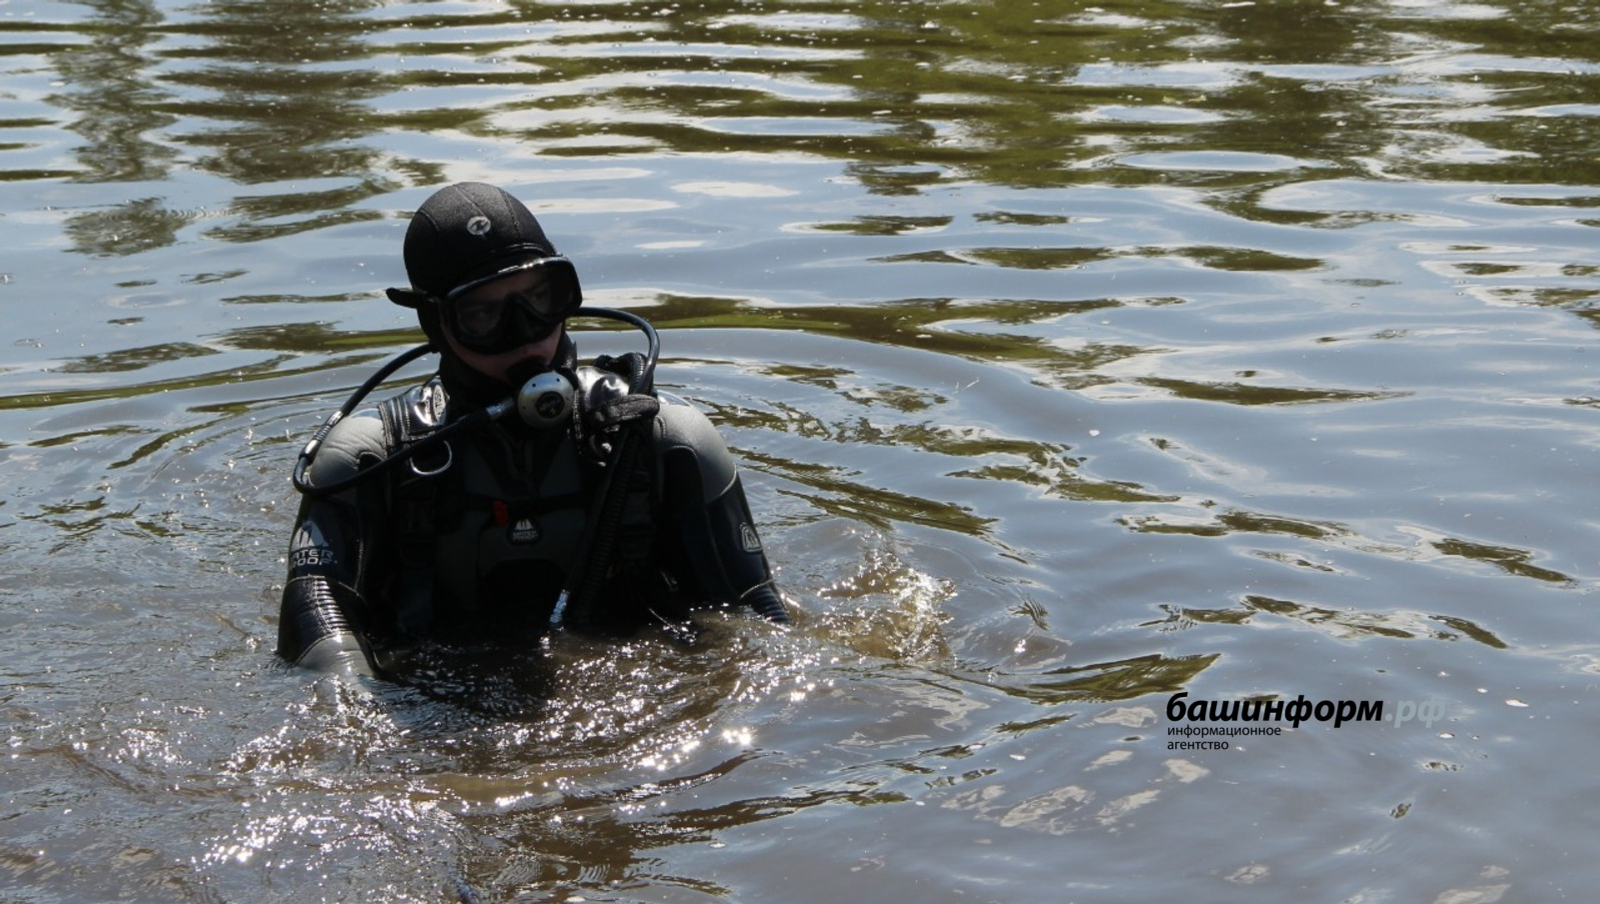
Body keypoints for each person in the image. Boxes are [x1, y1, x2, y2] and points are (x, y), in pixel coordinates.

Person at [277, 182, 786, 682]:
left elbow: (760, 624)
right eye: (483, 314)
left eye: (541, 300)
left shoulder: (665, 442)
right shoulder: (370, 460)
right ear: (436, 322)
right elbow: (318, 647)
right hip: (436, 711)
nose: (525, 335)